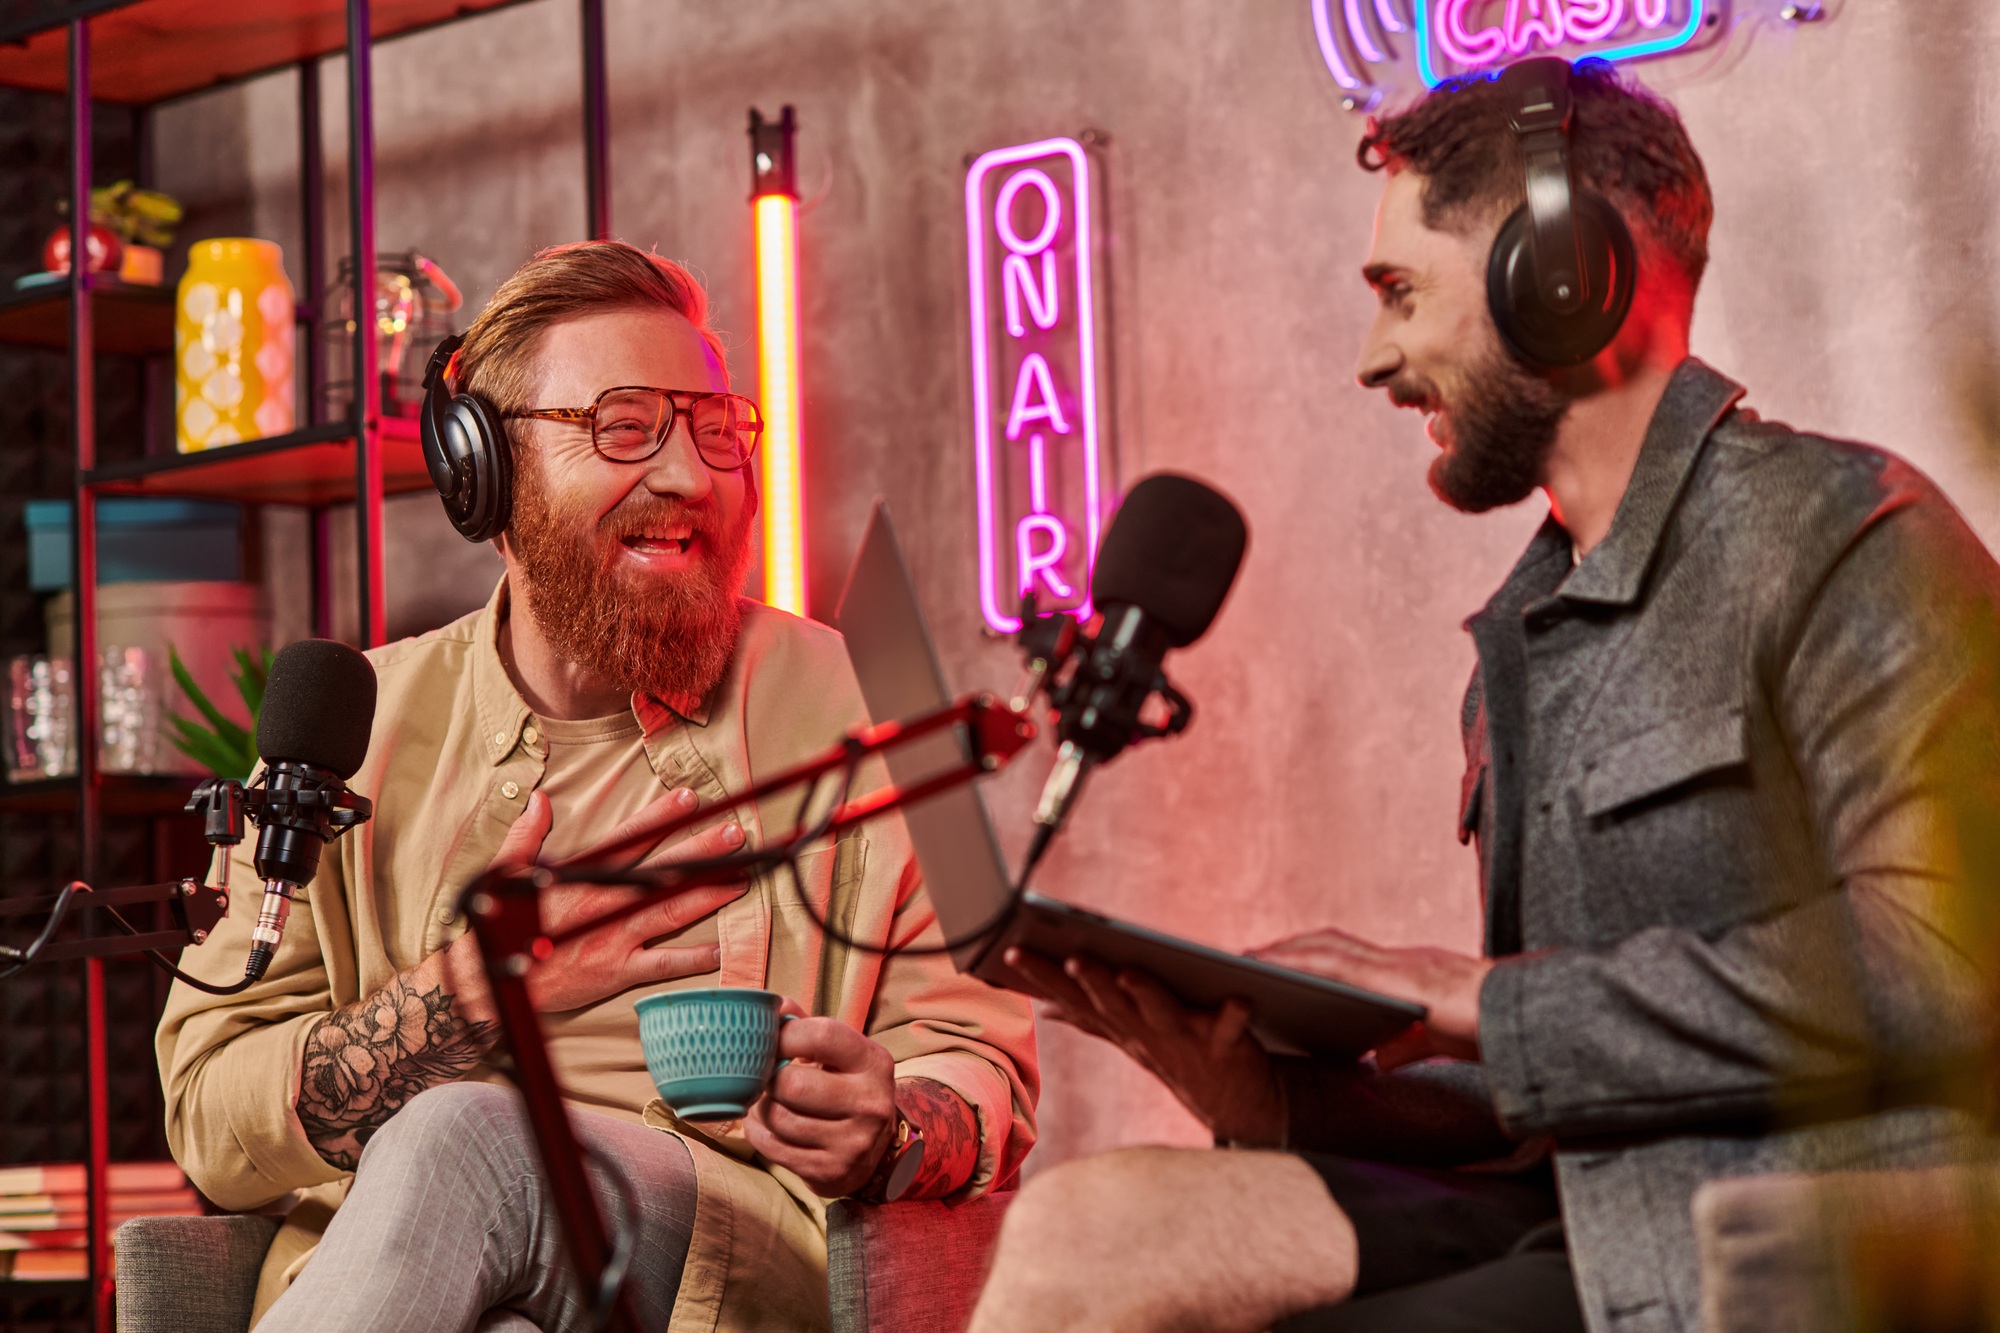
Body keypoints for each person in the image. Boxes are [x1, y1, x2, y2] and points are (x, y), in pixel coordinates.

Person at [968, 58, 2000, 1333]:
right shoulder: (1523, 634)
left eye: (1399, 293)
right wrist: (1272, 1095)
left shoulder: (1844, 532)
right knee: (1081, 1229)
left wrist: (1481, 998)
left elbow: (1952, 957)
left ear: (1560, 279)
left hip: (1763, 1234)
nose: (1373, 359)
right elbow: (1559, 1075)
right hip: (1565, 1210)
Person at [157, 241, 1038, 1333]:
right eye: (624, 427)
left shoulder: (869, 706)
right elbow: (208, 1107)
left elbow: (984, 1063)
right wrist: (469, 997)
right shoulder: (354, 731)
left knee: (466, 1136)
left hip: (719, 1265)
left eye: (716, 432)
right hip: (417, 1282)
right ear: (484, 470)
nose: (690, 477)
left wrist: (889, 1122)